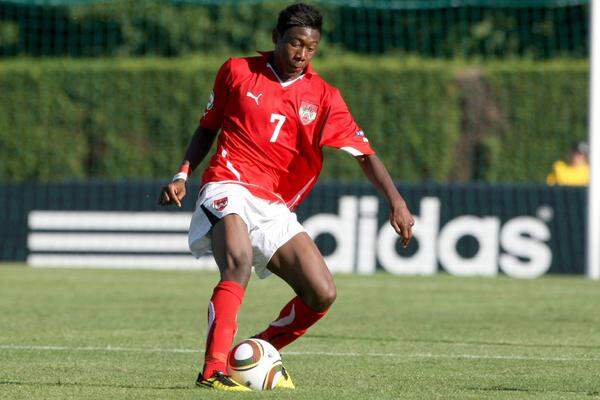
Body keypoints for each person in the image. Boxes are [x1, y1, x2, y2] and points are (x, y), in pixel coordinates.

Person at [158, 3, 414, 392]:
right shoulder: (237, 71)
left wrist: (396, 201)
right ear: (277, 38)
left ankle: (252, 352)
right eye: (295, 44)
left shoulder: (324, 96)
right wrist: (182, 175)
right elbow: (207, 127)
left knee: (321, 292)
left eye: (311, 48)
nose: (302, 54)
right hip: (228, 183)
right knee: (238, 261)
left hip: (274, 204)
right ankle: (212, 371)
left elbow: (365, 154)